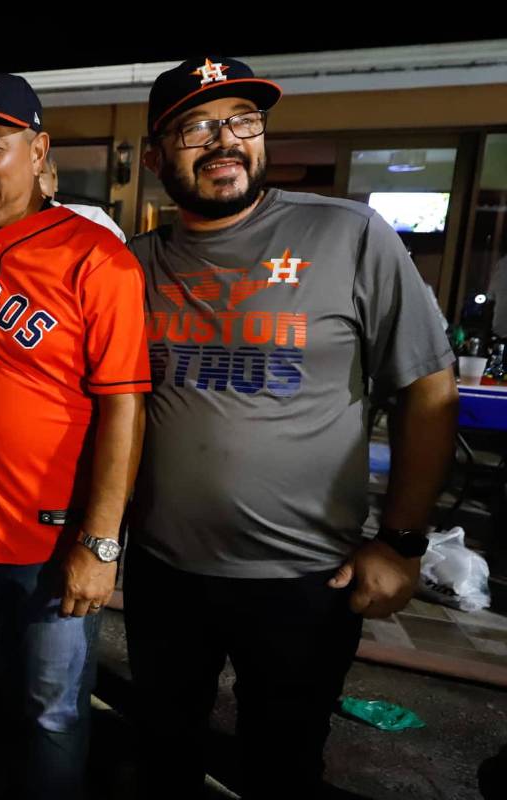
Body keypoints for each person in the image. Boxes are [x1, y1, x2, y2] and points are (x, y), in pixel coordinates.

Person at [124, 55, 459, 800]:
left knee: (282, 764)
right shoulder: (134, 264)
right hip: (163, 572)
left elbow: (428, 386)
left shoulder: (348, 235)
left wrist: (403, 542)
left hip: (303, 580)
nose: (224, 141)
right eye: (196, 127)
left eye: (242, 121)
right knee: (163, 754)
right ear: (154, 155)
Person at [0, 73, 150, 799]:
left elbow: (124, 407)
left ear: (38, 148)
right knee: (8, 689)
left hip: (60, 541)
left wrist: (102, 542)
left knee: (54, 711)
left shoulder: (97, 258)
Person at [37, 156, 126, 242]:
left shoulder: (95, 222)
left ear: (54, 177)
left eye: (39, 173)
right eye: (22, 174)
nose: (30, 189)